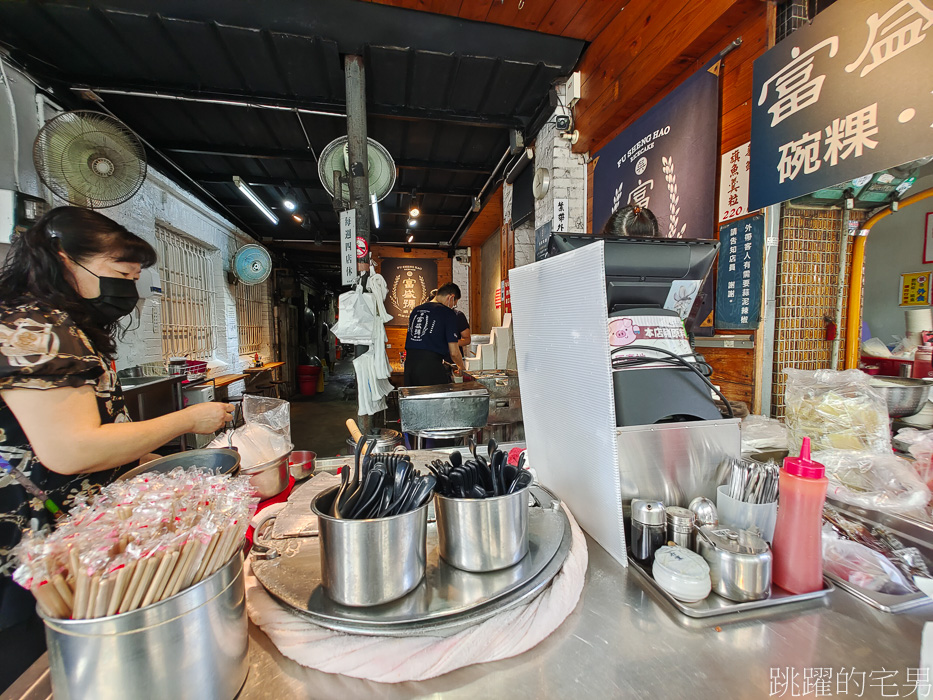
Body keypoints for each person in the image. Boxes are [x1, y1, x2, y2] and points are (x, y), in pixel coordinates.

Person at [0, 207, 234, 690]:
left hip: (71, 538)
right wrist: (189, 420)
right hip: (30, 548)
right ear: (63, 259)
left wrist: (145, 461)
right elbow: (70, 450)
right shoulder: (34, 329)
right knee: (46, 673)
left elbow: (88, 427)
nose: (127, 288)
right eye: (119, 273)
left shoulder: (63, 322)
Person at [404, 282, 465, 386]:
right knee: (435, 400)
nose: (453, 307)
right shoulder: (448, 313)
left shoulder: (416, 310)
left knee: (413, 400)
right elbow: (454, 352)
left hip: (409, 366)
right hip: (430, 367)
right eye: (454, 303)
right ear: (451, 297)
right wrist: (462, 369)